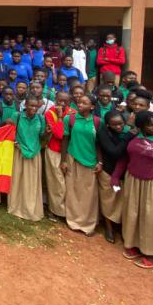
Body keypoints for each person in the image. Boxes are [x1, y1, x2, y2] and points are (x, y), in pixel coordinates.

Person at [112, 111, 153, 269]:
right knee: (134, 214)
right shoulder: (134, 140)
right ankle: (135, 244)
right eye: (151, 125)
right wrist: (115, 177)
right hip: (134, 182)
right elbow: (124, 159)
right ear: (141, 126)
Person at [60, 95, 100, 236]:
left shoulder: (97, 122)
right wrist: (63, 160)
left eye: (84, 102)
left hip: (90, 160)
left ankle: (88, 224)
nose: (80, 104)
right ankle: (73, 220)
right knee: (73, 189)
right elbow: (65, 138)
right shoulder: (69, 119)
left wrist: (100, 162)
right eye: (79, 102)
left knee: (88, 193)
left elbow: (99, 144)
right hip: (72, 157)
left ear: (92, 107)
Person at [8, 96, 48, 222]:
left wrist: (48, 132)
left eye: (36, 106)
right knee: (17, 181)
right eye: (31, 105)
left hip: (34, 154)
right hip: (19, 152)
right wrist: (15, 142)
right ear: (25, 106)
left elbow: (43, 136)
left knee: (31, 182)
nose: (33, 108)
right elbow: (10, 132)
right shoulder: (17, 116)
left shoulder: (41, 119)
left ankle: (30, 209)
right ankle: (15, 207)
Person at [95, 111, 129, 244]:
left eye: (120, 124)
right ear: (108, 125)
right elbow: (114, 152)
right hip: (108, 170)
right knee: (107, 200)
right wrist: (127, 137)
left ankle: (120, 227)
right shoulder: (103, 133)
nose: (118, 127)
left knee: (122, 201)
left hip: (125, 174)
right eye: (114, 125)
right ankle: (108, 227)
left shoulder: (129, 131)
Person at [44, 92, 70, 221]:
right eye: (60, 101)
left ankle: (66, 209)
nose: (62, 104)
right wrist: (60, 117)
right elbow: (59, 135)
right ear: (55, 100)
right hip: (54, 151)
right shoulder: (50, 113)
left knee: (67, 183)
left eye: (65, 101)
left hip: (69, 152)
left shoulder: (72, 112)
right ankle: (55, 210)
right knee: (57, 182)